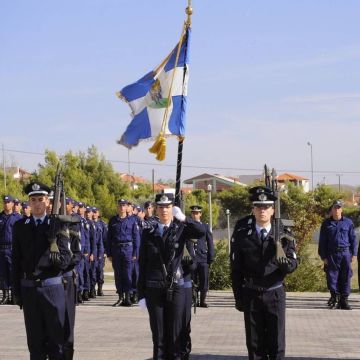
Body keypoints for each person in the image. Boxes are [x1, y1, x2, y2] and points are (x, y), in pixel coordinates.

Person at [230, 186, 297, 360]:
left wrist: (283, 260)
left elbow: (292, 264)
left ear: (273, 210)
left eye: (266, 207)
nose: (262, 210)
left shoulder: (283, 234)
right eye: (258, 206)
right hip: (251, 294)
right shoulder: (243, 233)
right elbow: (236, 270)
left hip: (274, 293)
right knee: (254, 345)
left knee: (276, 345)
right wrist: (238, 297)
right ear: (253, 209)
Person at [138, 193, 205, 360]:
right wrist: (141, 294)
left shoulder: (180, 229)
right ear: (155, 209)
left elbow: (201, 231)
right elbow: (143, 264)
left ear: (172, 209)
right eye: (160, 207)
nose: (164, 211)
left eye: (167, 207)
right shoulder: (149, 232)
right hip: (154, 288)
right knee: (159, 338)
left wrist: (184, 218)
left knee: (176, 337)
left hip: (176, 288)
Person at [11, 182, 73, 359]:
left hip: (53, 289)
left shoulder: (57, 224)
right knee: (35, 345)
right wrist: (17, 291)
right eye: (33, 199)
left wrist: (56, 256)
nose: (37, 203)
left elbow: (67, 259)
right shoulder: (21, 226)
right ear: (28, 203)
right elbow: (16, 261)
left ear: (47, 201)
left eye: (41, 199)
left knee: (57, 344)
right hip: (30, 291)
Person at [318, 200, 357, 310]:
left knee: (346, 276)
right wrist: (323, 256)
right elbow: (322, 241)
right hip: (331, 254)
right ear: (331, 209)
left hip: (345, 253)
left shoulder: (348, 223)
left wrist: (354, 254)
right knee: (332, 277)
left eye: (339, 207)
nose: (337, 210)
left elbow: (353, 239)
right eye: (335, 207)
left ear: (342, 209)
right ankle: (335, 299)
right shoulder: (326, 224)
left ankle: (344, 300)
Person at [107, 199, 140, 307]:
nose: (122, 207)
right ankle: (120, 297)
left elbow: (136, 237)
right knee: (118, 274)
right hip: (116, 249)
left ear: (127, 207)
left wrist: (135, 252)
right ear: (118, 207)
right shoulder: (113, 220)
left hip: (128, 249)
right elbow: (108, 238)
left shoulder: (132, 220)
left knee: (128, 274)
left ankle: (127, 297)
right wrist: (109, 253)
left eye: (124, 205)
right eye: (120, 205)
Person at [188, 205, 214, 308]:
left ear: (200, 214)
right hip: (191, 257)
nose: (195, 215)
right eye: (193, 213)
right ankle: (193, 300)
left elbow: (210, 242)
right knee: (191, 280)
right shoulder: (187, 226)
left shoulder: (205, 226)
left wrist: (211, 256)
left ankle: (202, 301)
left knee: (204, 281)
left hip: (203, 257)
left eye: (197, 213)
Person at [0, 195, 21, 304]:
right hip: (2, 248)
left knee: (13, 272)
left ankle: (14, 295)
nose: (6, 204)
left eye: (8, 202)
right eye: (5, 202)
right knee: (3, 273)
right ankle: (5, 296)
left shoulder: (17, 218)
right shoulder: (0, 217)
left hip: (13, 249)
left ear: (13, 204)